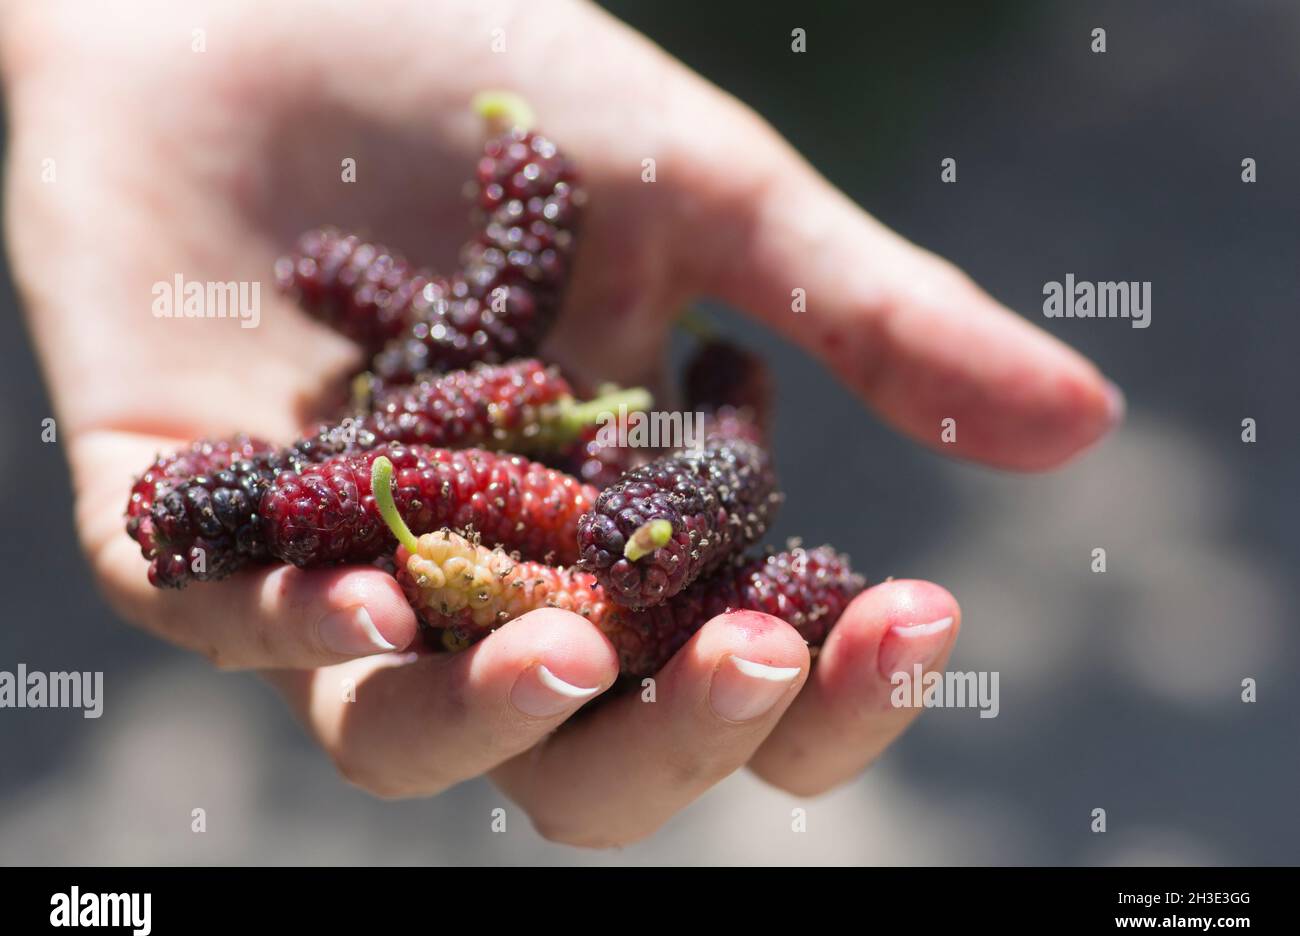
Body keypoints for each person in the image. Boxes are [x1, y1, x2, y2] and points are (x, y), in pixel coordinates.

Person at [0, 0, 1120, 847]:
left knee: (604, 556)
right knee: (434, 488)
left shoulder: (617, 477)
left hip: (551, 465)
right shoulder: (481, 428)